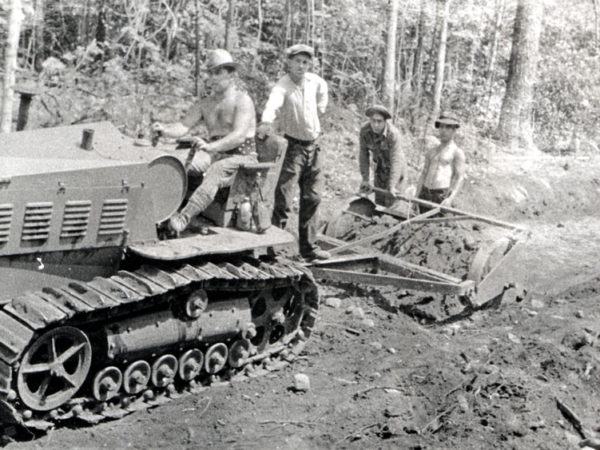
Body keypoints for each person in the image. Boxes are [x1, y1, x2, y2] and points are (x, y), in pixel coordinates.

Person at [153, 49, 257, 233]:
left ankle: (183, 217)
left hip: (242, 158)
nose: (212, 78)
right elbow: (183, 126)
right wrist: (165, 131)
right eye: (210, 73)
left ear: (231, 74)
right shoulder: (206, 103)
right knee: (176, 162)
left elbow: (239, 136)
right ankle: (158, 210)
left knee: (217, 169)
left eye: (218, 72)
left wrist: (211, 146)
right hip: (216, 154)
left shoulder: (243, 101)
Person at [257, 44, 330, 261]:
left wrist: (315, 127)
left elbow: (321, 106)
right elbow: (273, 106)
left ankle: (309, 248)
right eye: (297, 61)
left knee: (313, 197)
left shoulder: (317, 83)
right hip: (293, 149)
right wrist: (266, 122)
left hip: (315, 146)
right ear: (288, 62)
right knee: (284, 198)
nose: (301, 65)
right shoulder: (283, 86)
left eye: (305, 62)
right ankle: (274, 249)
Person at [358, 104, 407, 207]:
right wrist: (365, 179)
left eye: (379, 121)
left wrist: (392, 185)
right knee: (379, 203)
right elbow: (363, 154)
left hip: (396, 170)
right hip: (380, 169)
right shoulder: (365, 130)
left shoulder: (393, 134)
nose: (375, 125)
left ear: (385, 121)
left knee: (392, 204)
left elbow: (396, 160)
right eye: (373, 120)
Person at [416, 111, 466, 211]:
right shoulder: (431, 151)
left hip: (440, 195)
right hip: (425, 194)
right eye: (441, 127)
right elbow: (423, 174)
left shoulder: (457, 152)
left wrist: (450, 199)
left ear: (454, 130)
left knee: (436, 226)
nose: (443, 130)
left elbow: (460, 178)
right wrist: (416, 196)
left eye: (447, 127)